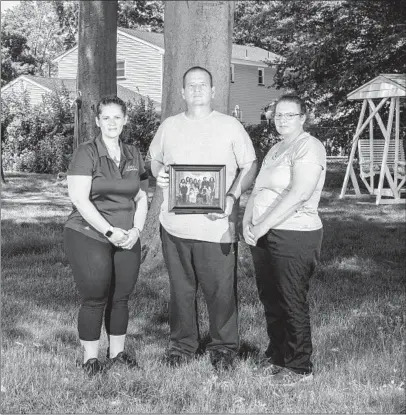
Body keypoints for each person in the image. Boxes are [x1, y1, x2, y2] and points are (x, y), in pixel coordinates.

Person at [147, 66, 257, 370]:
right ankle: (182, 346)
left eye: (202, 84)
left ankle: (223, 347)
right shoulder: (169, 126)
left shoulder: (230, 126)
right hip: (174, 226)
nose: (196, 89)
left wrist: (233, 196)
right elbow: (154, 159)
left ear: (212, 91)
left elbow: (250, 164)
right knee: (181, 290)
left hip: (216, 227)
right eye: (191, 85)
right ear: (181, 92)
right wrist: (158, 175)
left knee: (220, 291)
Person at [243, 94, 326, 385]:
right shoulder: (276, 149)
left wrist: (263, 224)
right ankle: (277, 357)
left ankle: (299, 367)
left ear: (303, 118)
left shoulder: (309, 147)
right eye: (278, 115)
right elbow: (257, 189)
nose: (282, 120)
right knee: (271, 298)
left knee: (291, 299)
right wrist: (247, 221)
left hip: (295, 233)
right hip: (264, 232)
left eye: (289, 115)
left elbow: (299, 193)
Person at [64, 96, 149, 377]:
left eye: (117, 117)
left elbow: (141, 195)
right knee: (96, 294)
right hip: (90, 233)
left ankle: (118, 354)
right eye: (106, 118)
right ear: (98, 121)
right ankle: (90, 359)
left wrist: (135, 231)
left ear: (125, 120)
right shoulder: (86, 152)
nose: (112, 123)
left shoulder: (134, 153)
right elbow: (79, 198)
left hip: (127, 235)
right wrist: (110, 231)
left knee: (121, 296)